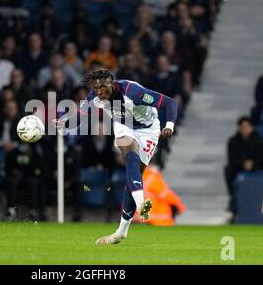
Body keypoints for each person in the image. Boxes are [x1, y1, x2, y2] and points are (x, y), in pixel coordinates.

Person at [54, 69, 178, 244]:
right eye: (96, 89)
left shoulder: (133, 92)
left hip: (148, 130)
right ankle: (141, 203)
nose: (99, 92)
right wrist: (63, 122)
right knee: (130, 156)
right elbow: (80, 116)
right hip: (123, 125)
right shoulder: (94, 97)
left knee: (134, 174)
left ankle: (121, 232)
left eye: (102, 88)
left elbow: (170, 103)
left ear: (112, 84)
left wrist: (170, 126)